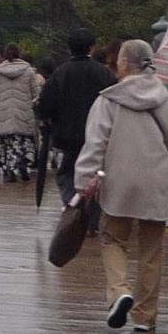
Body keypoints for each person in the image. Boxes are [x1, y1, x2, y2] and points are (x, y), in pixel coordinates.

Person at [75, 40, 168, 331]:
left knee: (112, 239)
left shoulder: (109, 100)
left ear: (123, 63)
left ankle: (120, 291)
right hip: (158, 182)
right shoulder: (166, 100)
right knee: (151, 250)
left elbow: (95, 144)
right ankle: (145, 315)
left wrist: (84, 179)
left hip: (119, 181)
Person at [37, 28, 116, 229]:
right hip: (97, 133)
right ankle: (92, 219)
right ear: (92, 47)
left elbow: (45, 105)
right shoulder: (104, 73)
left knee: (68, 174)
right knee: (96, 176)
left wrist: (47, 117)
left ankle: (73, 206)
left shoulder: (60, 73)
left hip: (67, 133)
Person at [0, 43, 40, 182]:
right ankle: (23, 165)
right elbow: (36, 94)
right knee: (22, 142)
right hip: (24, 115)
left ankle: (9, 167)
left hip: (2, 115)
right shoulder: (29, 71)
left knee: (6, 144)